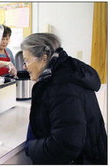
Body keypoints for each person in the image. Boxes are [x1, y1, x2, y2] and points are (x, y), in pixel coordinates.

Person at [21, 33, 107, 164]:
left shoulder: (62, 86)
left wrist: (30, 148)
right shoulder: (65, 70)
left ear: (43, 57)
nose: (24, 66)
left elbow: (65, 145)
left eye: (26, 60)